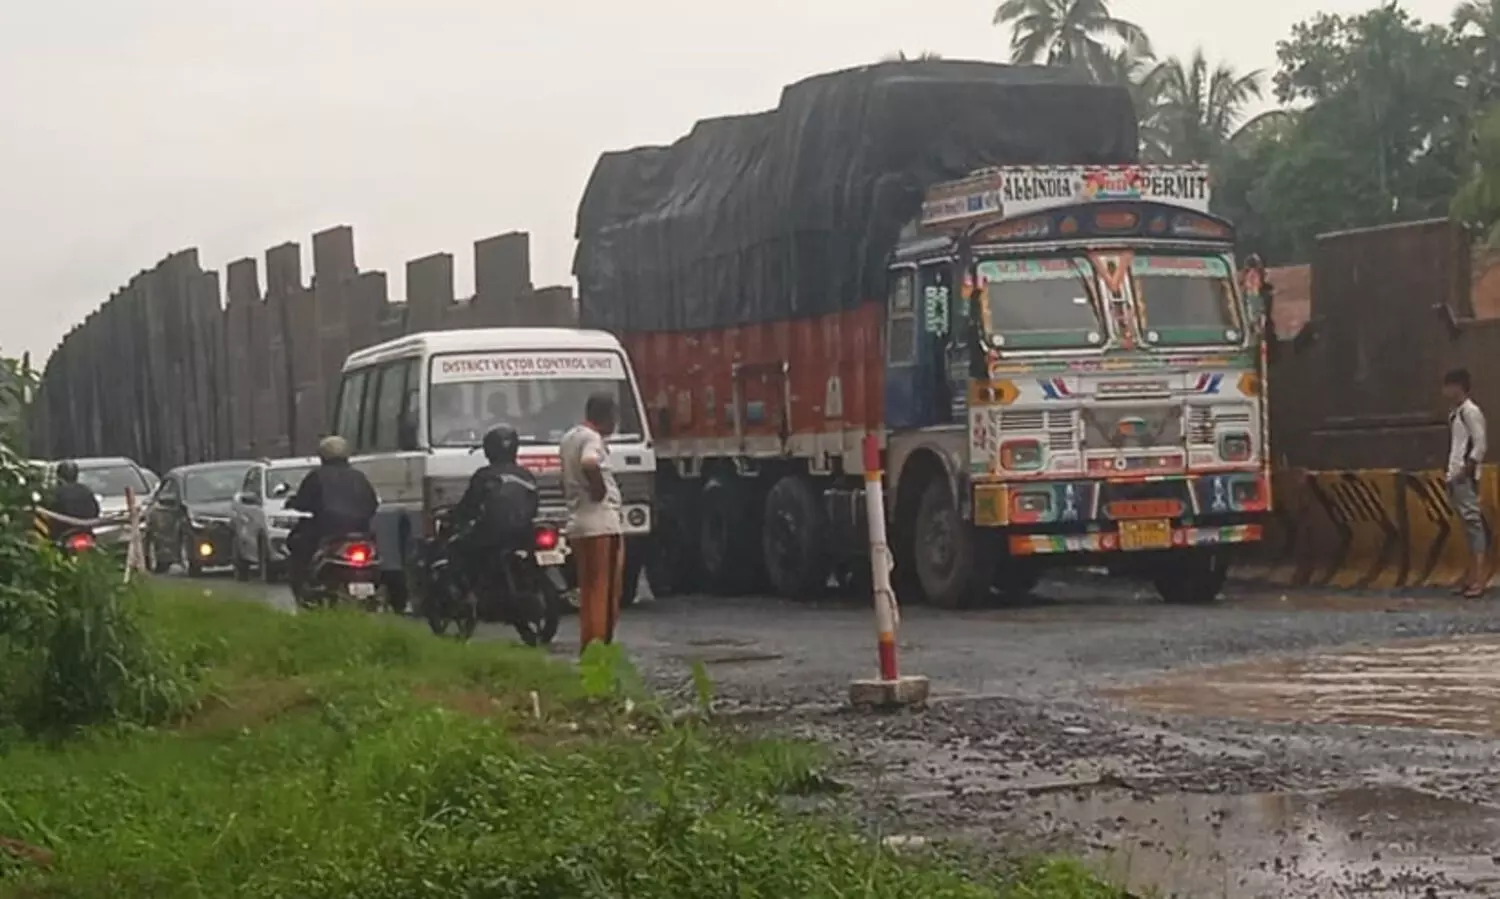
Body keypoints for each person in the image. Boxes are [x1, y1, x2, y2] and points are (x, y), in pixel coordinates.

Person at [560, 392, 624, 653]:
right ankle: (600, 649)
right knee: (605, 593)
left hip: (578, 522)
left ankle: (588, 645)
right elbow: (589, 462)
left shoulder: (569, 438)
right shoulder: (591, 439)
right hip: (602, 525)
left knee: (588, 591)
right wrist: (598, 490)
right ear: (607, 416)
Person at [285, 435, 379, 592]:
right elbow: (372, 502)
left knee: (298, 544)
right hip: (361, 531)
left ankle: (305, 584)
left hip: (326, 531)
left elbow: (304, 501)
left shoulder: (316, 476)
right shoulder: (359, 476)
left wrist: (293, 503)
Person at [451, 425, 539, 583]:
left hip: (490, 536)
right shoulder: (526, 475)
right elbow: (534, 506)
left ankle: (470, 592)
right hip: (523, 535)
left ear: (488, 450)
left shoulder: (483, 476)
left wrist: (455, 518)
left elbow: (468, 507)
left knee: (457, 549)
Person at [1443, 368, 1489, 598]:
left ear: (1458, 386)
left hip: (1464, 478)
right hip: (1456, 476)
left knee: (1473, 526)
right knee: (1467, 527)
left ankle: (1479, 578)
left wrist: (1465, 471)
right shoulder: (1457, 413)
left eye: (1449, 386)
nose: (1445, 391)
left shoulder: (1470, 412)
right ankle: (1471, 575)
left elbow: (1480, 444)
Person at [45, 460, 100, 540]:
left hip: (61, 534)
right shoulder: (85, 490)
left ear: (59, 476)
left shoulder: (55, 492)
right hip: (85, 532)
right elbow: (96, 511)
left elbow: (48, 512)